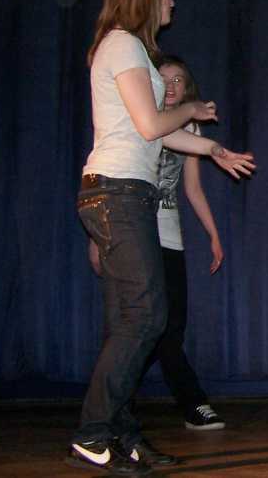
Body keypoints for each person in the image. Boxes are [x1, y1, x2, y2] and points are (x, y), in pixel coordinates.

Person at [70, 0, 255, 476]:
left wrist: (212, 148)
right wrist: (192, 110)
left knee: (127, 321)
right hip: (118, 192)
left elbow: (153, 132)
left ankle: (122, 435)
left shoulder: (131, 50)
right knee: (148, 317)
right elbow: (152, 125)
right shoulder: (123, 44)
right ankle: (92, 432)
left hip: (123, 193)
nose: (172, 0)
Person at [87, 55, 229, 432]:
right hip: (133, 231)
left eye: (178, 80)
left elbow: (193, 189)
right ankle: (189, 401)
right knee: (140, 323)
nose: (171, 87)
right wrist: (97, 238)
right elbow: (108, 176)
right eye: (164, 79)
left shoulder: (190, 127)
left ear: (187, 88)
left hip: (169, 237)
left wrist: (214, 235)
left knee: (170, 326)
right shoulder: (137, 118)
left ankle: (116, 399)